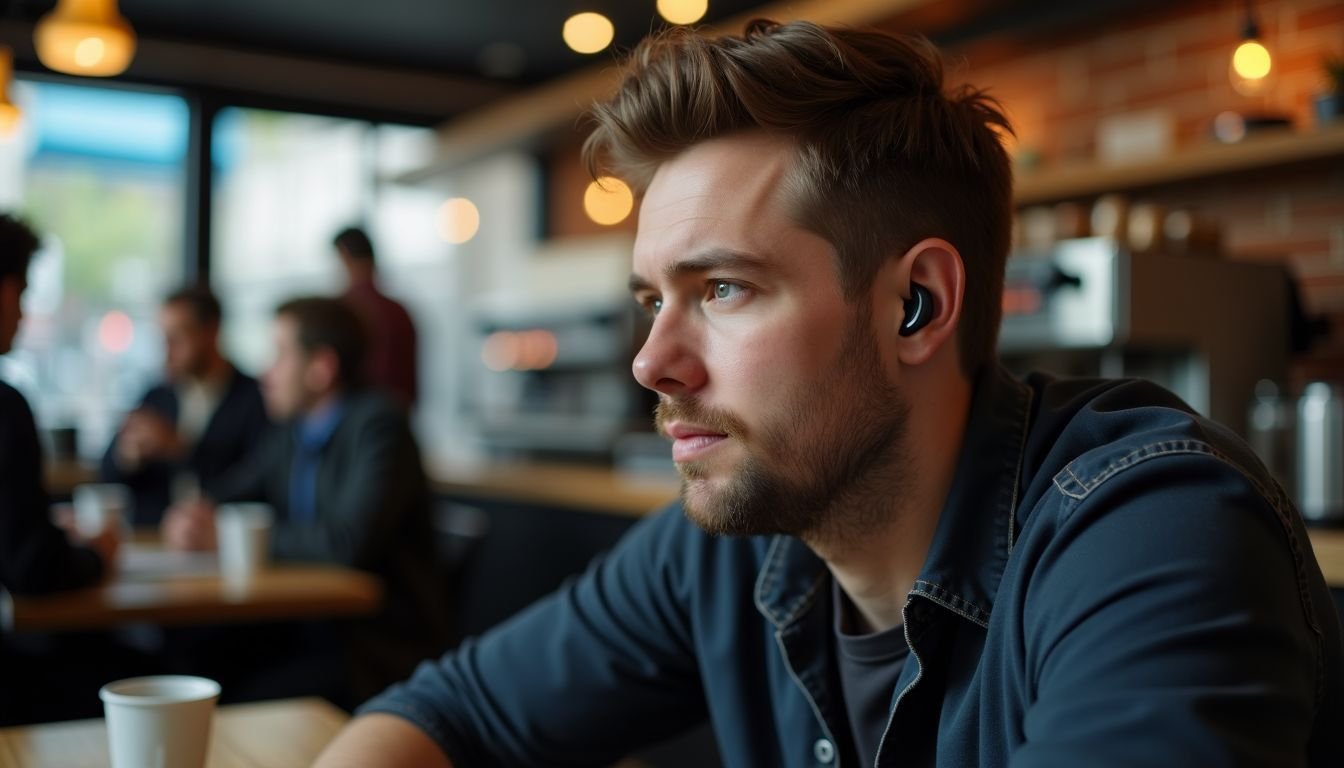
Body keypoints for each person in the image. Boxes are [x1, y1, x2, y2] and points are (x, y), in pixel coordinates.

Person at [315, 20, 1344, 767]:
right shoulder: (735, 545)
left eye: (722, 289)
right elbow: (451, 714)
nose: (651, 362)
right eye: (651, 299)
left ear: (915, 304)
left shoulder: (1147, 531)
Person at [161, 296, 447, 701]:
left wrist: (223, 537)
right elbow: (231, 492)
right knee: (188, 658)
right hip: (305, 629)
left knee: (232, 689)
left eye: (279, 355)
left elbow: (347, 542)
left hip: (370, 646)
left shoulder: (380, 426)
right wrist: (193, 515)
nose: (267, 373)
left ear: (321, 368)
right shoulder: (292, 432)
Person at [0, 213, 122, 724]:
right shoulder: (5, 407)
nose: (25, 313)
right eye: (21, 293)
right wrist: (95, 553)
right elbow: (30, 570)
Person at [100, 286, 270, 526]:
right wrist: (127, 455)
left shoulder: (255, 399)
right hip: (152, 538)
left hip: (221, 541)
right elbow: (106, 472)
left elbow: (256, 483)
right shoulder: (156, 397)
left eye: (177, 337)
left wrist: (180, 450)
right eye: (163, 338)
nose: (166, 350)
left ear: (211, 332)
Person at [334, 226, 418, 410]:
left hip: (356, 420)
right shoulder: (400, 311)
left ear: (344, 256)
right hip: (399, 417)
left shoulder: (343, 312)